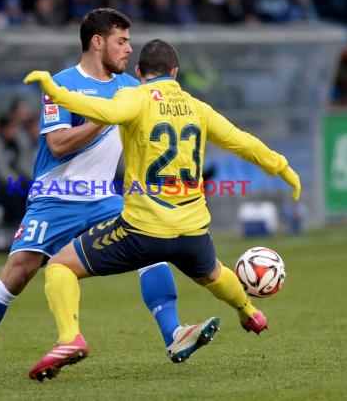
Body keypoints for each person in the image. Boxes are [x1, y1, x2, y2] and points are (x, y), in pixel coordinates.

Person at [0, 9, 217, 383]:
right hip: (55, 197)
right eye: (122, 41)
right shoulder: (61, 85)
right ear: (97, 42)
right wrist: (105, 116)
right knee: (17, 274)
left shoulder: (132, 91)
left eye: (130, 42)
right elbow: (56, 144)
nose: (128, 50)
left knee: (152, 245)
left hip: (105, 196)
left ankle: (174, 334)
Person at [23, 38, 301, 381]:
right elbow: (243, 142)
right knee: (213, 272)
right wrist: (283, 168)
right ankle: (249, 311)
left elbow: (104, 113)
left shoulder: (134, 97)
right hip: (193, 232)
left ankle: (70, 338)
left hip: (144, 231)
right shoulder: (197, 107)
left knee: (60, 267)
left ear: (139, 72)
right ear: (175, 72)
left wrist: (55, 90)